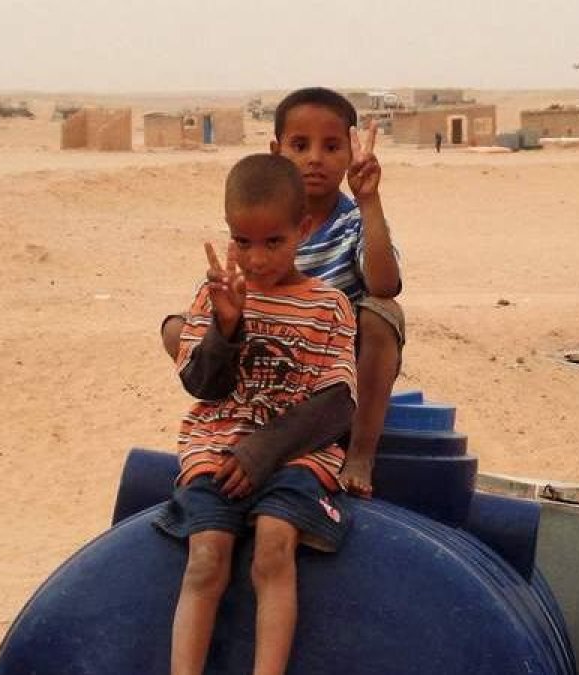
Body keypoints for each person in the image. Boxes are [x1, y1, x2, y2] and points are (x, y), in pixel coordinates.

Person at [156, 153, 357, 675]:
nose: (257, 258)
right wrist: (227, 327)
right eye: (243, 242)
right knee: (206, 559)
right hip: (216, 450)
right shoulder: (216, 294)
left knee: (273, 547)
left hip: (294, 457)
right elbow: (201, 384)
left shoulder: (328, 305)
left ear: (304, 229)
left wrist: (265, 450)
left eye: (274, 242)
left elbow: (337, 404)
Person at [161, 87, 403, 499]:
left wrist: (370, 201)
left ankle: (360, 452)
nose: (314, 158)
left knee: (382, 314)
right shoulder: (261, 221)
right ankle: (239, 417)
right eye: (299, 145)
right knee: (177, 328)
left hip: (327, 356)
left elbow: (384, 285)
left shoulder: (351, 222)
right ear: (276, 151)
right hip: (263, 344)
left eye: (331, 147)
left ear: (349, 152)